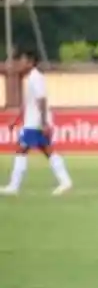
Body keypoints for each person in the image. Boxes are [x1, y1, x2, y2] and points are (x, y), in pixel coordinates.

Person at [3, 47, 72, 196]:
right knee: (48, 151)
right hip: (33, 122)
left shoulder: (36, 77)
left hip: (35, 124)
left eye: (22, 60)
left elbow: (42, 100)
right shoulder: (31, 78)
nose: (19, 63)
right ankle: (65, 181)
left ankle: (13, 186)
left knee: (22, 150)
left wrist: (44, 122)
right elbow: (28, 103)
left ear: (30, 62)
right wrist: (16, 120)